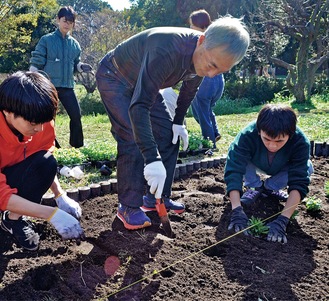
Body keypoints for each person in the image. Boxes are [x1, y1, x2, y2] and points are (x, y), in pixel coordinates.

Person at [96, 15, 250, 230]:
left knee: (169, 135)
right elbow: (139, 106)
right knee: (131, 136)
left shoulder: (204, 57)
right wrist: (151, 158)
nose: (212, 74)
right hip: (116, 76)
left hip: (147, 83)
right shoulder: (167, 49)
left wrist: (178, 122)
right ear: (202, 40)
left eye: (220, 71)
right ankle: (128, 206)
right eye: (212, 65)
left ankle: (156, 198)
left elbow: (189, 89)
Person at [0, 71, 85, 251]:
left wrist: (60, 196)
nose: (39, 129)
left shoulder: (41, 124)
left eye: (43, 122)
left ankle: (12, 219)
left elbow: (42, 161)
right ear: (7, 111)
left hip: (9, 178)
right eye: (32, 123)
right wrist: (52, 214)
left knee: (47, 162)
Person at [224, 104, 313, 243]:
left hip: (282, 167)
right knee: (237, 157)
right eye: (267, 139)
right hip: (254, 163)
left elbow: (299, 182)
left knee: (307, 168)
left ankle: (269, 187)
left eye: (279, 141)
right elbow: (233, 171)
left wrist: (283, 220)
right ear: (259, 131)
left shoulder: (300, 142)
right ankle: (255, 187)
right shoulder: (247, 135)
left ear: (290, 135)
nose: (272, 146)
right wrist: (236, 210)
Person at [29, 6, 92, 148]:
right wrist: (32, 80)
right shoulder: (46, 40)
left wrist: (82, 67)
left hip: (68, 87)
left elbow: (75, 65)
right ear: (58, 20)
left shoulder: (74, 44)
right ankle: (51, 146)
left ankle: (76, 146)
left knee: (76, 116)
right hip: (49, 87)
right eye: (64, 20)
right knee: (49, 119)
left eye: (70, 22)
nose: (67, 24)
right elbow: (36, 61)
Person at [189, 9, 225, 148]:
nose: (190, 28)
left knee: (202, 113)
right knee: (206, 110)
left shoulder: (200, 39)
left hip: (206, 80)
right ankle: (214, 133)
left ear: (199, 24)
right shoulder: (215, 37)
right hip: (218, 80)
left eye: (192, 25)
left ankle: (210, 144)